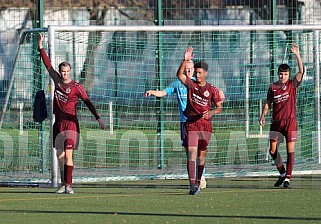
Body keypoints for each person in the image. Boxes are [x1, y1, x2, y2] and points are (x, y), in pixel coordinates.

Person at [38, 33, 105, 194]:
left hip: (71, 125)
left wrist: (98, 118)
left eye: (67, 71)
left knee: (68, 155)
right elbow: (48, 65)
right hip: (58, 124)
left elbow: (88, 102)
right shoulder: (57, 81)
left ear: (70, 71)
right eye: (62, 71)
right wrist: (40, 46)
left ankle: (69, 185)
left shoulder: (77, 87)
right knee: (59, 156)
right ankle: (63, 184)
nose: (64, 73)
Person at [145, 60, 207, 189]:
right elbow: (163, 93)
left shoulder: (198, 83)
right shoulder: (177, 84)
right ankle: (194, 178)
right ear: (183, 70)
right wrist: (152, 92)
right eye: (187, 68)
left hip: (198, 123)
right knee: (189, 153)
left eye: (191, 68)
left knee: (199, 152)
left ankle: (201, 177)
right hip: (185, 123)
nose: (189, 70)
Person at [177, 47, 224, 195]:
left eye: (199, 72)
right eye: (195, 72)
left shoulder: (211, 89)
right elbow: (179, 75)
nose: (197, 74)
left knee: (201, 156)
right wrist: (185, 61)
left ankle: (198, 181)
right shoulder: (191, 85)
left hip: (205, 126)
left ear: (205, 73)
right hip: (191, 124)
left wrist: (211, 112)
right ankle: (192, 185)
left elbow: (219, 107)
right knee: (191, 153)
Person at [259, 43, 304, 189]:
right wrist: (263, 116)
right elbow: (268, 103)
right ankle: (283, 173)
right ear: (277, 73)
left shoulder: (292, 85)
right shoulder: (272, 87)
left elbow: (301, 72)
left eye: (285, 74)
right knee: (272, 150)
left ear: (288, 74)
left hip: (290, 122)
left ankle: (288, 179)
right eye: (280, 74)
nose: (283, 76)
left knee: (291, 149)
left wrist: (297, 55)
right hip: (276, 123)